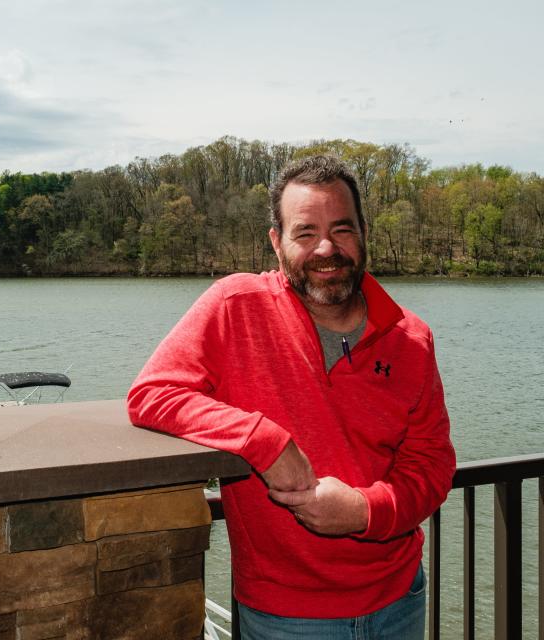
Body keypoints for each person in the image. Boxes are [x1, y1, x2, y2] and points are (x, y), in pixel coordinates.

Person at [127, 155, 455, 639]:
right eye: (305, 233)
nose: (327, 247)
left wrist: (366, 510)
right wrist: (264, 441)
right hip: (285, 616)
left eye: (342, 229)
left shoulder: (412, 339)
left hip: (399, 598)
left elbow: (431, 464)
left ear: (364, 232)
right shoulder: (235, 306)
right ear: (277, 243)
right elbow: (152, 394)